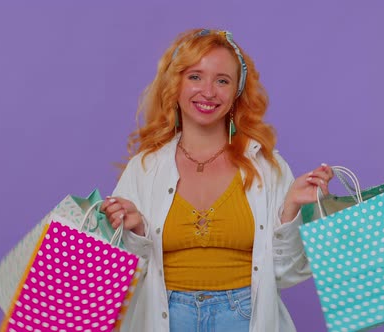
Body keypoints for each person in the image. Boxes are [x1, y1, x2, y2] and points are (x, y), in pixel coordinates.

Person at [100, 28, 334, 332]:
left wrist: (290, 211)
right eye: (195, 76)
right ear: (175, 84)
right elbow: (124, 278)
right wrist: (137, 231)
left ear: (236, 91)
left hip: (245, 318)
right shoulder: (144, 168)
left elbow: (285, 275)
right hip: (165, 319)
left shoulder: (268, 166)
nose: (208, 92)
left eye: (222, 80)